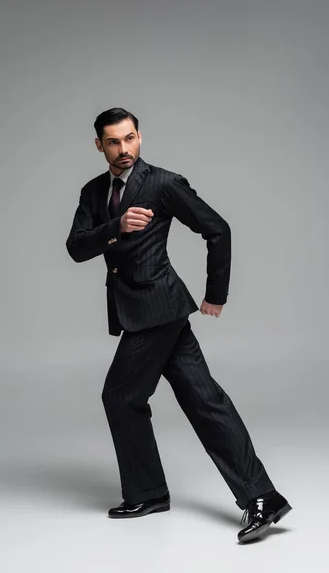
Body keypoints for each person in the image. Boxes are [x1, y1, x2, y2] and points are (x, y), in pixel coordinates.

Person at [65, 107, 292, 543]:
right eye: (113, 142)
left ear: (140, 138)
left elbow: (218, 229)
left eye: (130, 138)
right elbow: (76, 248)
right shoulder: (93, 192)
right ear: (99, 145)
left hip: (157, 308)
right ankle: (262, 497)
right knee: (205, 400)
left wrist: (216, 294)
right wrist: (116, 226)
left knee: (120, 395)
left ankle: (149, 491)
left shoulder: (164, 183)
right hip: (148, 309)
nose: (123, 149)